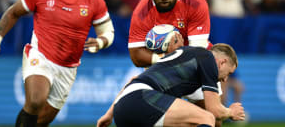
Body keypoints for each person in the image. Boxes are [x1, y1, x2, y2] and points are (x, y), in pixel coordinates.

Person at [0, 0, 114, 127]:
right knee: (36, 100)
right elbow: (13, 12)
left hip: (68, 68)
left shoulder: (94, 1)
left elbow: (108, 32)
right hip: (40, 55)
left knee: (42, 120)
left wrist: (100, 42)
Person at [97, 43, 245, 127]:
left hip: (123, 109)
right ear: (222, 62)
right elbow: (215, 111)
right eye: (229, 73)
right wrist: (230, 112)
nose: (225, 80)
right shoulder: (208, 59)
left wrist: (109, 114)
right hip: (142, 100)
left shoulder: (185, 53)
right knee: (207, 119)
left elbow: (134, 80)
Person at [128, 0, 212, 67]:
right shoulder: (141, 13)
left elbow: (197, 50)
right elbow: (136, 55)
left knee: (216, 60)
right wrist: (166, 57)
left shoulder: (195, 3)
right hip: (161, 64)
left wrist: (176, 54)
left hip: (193, 60)